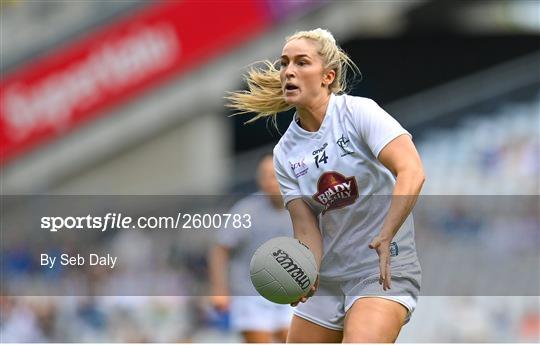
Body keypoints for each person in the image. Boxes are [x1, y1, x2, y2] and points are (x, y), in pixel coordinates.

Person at [226, 28, 425, 342]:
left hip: (381, 270)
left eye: (302, 62)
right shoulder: (285, 153)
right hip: (331, 278)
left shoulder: (359, 113)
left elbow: (411, 171)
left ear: (327, 76)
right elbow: (306, 230)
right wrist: (305, 272)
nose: (289, 70)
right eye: (284, 63)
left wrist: (387, 234)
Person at [208, 153, 293, 343]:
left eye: (274, 175)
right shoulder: (246, 210)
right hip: (250, 294)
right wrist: (219, 290)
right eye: (264, 176)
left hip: (289, 292)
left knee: (290, 338)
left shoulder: (301, 208)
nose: (269, 182)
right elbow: (220, 249)